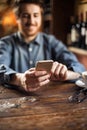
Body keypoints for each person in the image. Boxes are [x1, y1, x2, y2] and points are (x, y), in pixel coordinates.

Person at [0, 0, 86, 92]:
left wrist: (67, 74)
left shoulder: (51, 42)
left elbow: (79, 68)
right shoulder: (5, 43)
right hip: (14, 100)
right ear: (17, 18)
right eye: (25, 16)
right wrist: (19, 79)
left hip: (49, 101)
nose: (31, 21)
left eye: (36, 15)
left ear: (41, 17)